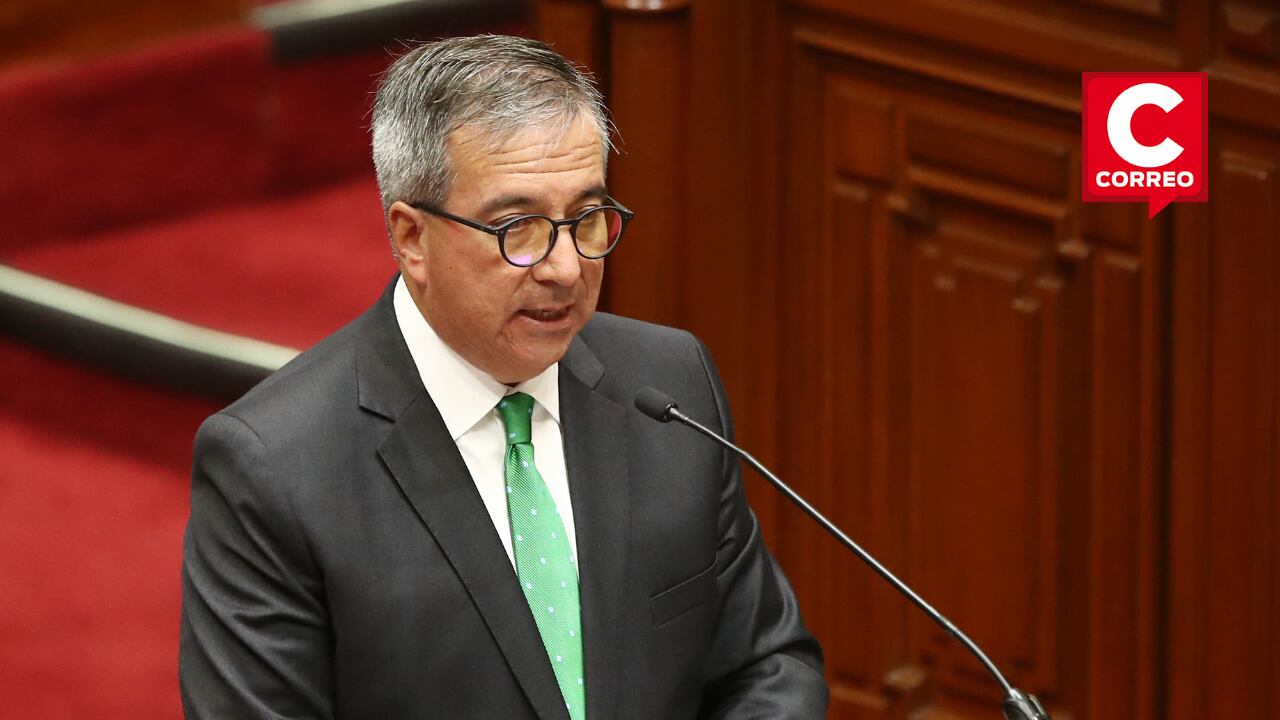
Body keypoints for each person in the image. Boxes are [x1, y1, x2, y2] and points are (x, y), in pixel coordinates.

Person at [179, 34, 827, 719]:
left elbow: (768, 665)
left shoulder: (668, 387)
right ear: (411, 237)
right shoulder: (277, 468)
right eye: (518, 227)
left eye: (585, 219)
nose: (567, 268)